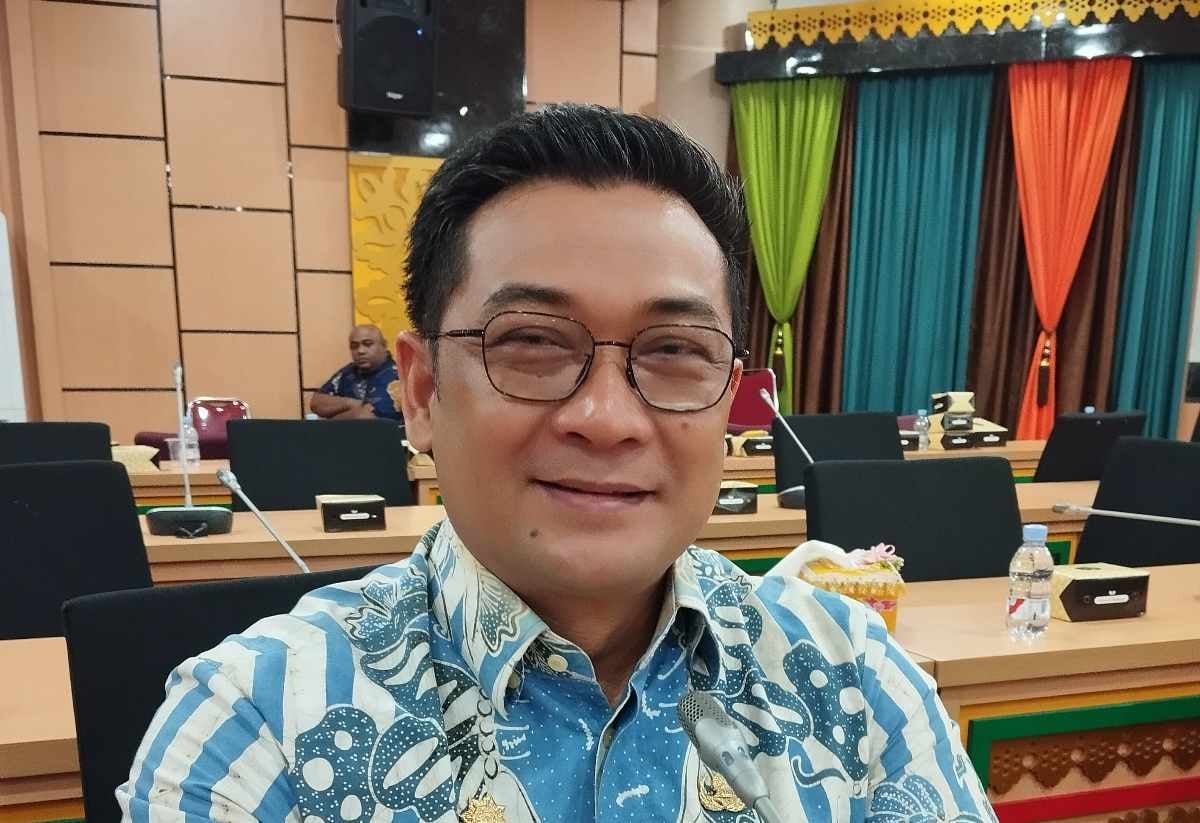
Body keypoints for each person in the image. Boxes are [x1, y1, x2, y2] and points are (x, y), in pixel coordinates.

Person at [119, 105, 994, 821]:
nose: (607, 419)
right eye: (532, 343)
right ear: (421, 391)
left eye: (673, 350)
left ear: (729, 398)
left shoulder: (854, 679)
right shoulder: (258, 727)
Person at [309, 324, 404, 421]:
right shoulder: (348, 372)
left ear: (384, 345)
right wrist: (352, 403)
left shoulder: (401, 376)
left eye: (368, 344)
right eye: (354, 346)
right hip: (343, 430)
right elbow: (316, 402)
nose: (360, 351)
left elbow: (365, 417)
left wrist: (343, 416)